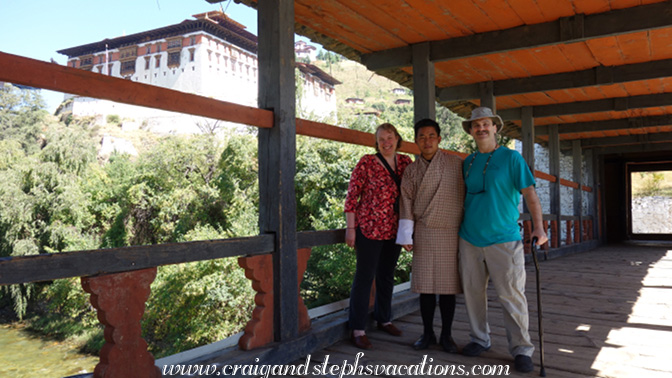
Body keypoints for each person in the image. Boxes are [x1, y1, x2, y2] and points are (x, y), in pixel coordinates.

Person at [458, 107, 548, 373]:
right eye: (476, 125)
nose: (481, 129)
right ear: (471, 130)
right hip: (470, 239)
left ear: (495, 128)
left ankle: (521, 349)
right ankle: (479, 339)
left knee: (511, 295)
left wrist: (539, 227)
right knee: (473, 295)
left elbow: (530, 194)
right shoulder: (468, 162)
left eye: (486, 124)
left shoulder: (512, 159)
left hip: (504, 239)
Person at [395, 118, 465, 353]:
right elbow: (405, 201)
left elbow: (470, 194)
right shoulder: (412, 170)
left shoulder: (456, 164)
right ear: (416, 141)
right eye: (422, 137)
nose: (427, 141)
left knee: (448, 288)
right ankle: (427, 333)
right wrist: (406, 234)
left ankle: (446, 335)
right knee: (425, 288)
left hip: (450, 231)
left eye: (431, 136)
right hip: (424, 231)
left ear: (439, 139)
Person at [344, 123, 413, 350]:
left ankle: (384, 319)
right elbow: (352, 196)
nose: (386, 142)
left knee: (386, 275)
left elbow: (413, 195)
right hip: (369, 228)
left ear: (397, 138)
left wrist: (410, 231)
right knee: (364, 277)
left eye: (390, 137)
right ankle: (358, 328)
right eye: (381, 139)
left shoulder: (405, 163)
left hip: (394, 229)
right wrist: (350, 228)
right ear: (376, 142)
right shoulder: (366, 162)